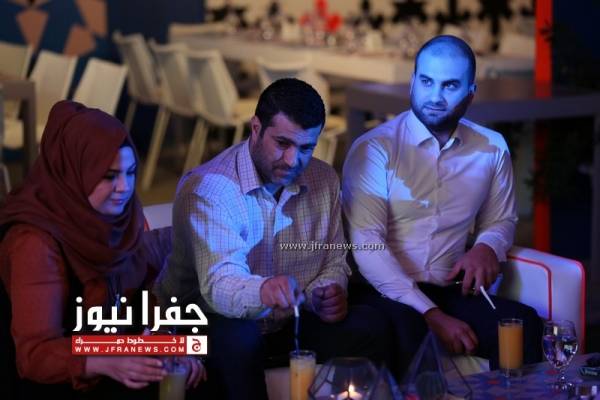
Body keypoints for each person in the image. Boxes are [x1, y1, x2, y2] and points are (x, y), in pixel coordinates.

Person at [155, 78, 392, 400]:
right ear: (255, 128)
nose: (293, 160)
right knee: (239, 338)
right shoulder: (211, 188)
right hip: (203, 320)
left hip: (286, 321)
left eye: (306, 148)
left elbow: (334, 259)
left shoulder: (324, 179)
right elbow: (219, 285)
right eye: (282, 143)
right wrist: (263, 290)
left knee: (371, 326)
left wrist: (326, 292)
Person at [342, 35, 543, 377]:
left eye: (450, 85)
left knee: (522, 324)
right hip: (381, 291)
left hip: (449, 290)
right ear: (412, 82)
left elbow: (501, 220)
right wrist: (430, 313)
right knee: (410, 330)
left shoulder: (491, 148)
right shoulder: (375, 148)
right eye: (426, 82)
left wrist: (486, 247)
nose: (435, 96)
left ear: (471, 92)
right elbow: (367, 246)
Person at [0, 101, 205, 399]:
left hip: (110, 350)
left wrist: (169, 345)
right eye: (109, 176)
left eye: (130, 172)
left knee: (200, 367)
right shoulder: (34, 242)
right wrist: (107, 360)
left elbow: (146, 294)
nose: (124, 187)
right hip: (58, 377)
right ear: (73, 172)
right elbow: (35, 355)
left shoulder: (123, 218)